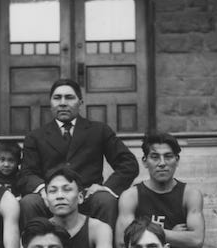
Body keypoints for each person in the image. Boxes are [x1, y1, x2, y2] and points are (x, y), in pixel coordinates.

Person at [17, 78, 139, 230]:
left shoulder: (98, 130)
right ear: (51, 103)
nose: (62, 103)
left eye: (69, 97)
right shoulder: (35, 136)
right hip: (51, 197)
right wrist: (43, 190)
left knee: (106, 200)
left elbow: (128, 164)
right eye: (57, 98)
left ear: (80, 102)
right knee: (29, 202)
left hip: (87, 196)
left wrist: (106, 187)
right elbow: (27, 173)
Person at [114, 131, 207, 248]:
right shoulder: (131, 195)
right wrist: (169, 233)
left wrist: (143, 230)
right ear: (145, 161)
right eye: (155, 157)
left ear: (177, 160)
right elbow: (120, 242)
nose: (162, 163)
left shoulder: (190, 194)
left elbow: (196, 240)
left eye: (168, 156)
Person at [14, 166, 113, 248]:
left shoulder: (99, 229)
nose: (60, 196)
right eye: (53, 191)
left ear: (80, 197)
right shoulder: (36, 231)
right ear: (47, 200)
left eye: (67, 190)